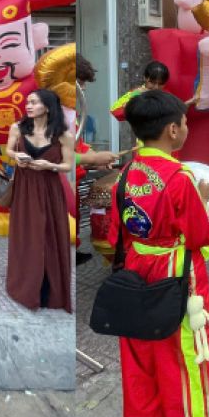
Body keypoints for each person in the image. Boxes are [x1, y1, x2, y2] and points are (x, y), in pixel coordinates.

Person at [108, 89, 209, 417]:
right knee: (190, 357)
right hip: (177, 273)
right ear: (173, 130)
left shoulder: (124, 174)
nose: (187, 128)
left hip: (136, 272)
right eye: (185, 122)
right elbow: (200, 235)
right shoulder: (181, 177)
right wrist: (203, 203)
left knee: (143, 358)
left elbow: (116, 234)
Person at [4, 88, 74, 312]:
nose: (29, 105)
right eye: (27, 102)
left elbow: (68, 166)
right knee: (27, 236)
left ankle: (49, 291)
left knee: (49, 237)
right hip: (24, 188)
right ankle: (25, 286)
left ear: (47, 105)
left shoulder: (63, 135)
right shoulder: (18, 127)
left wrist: (50, 166)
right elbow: (8, 150)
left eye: (34, 102)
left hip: (49, 188)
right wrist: (18, 157)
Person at [75, 54, 119, 265]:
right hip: (59, 180)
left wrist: (93, 157)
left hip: (74, 178)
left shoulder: (70, 114)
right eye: (80, 83)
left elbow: (78, 146)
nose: (83, 89)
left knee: (73, 219)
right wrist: (90, 157)